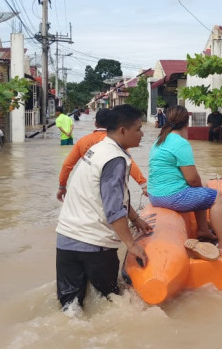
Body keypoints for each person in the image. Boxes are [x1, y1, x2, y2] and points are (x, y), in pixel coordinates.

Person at [55, 104, 153, 309]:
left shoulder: (97, 149)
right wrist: (132, 245)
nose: (142, 134)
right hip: (94, 246)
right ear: (123, 131)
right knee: (112, 301)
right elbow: (113, 209)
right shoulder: (115, 159)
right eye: (138, 129)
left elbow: (113, 197)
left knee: (70, 306)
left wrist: (135, 219)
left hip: (65, 239)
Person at [147, 105, 222, 248]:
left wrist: (201, 187)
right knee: (216, 197)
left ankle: (203, 230)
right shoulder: (180, 143)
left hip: (155, 195)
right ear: (186, 123)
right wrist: (200, 187)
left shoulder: (160, 140)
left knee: (204, 187)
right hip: (170, 196)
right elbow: (192, 179)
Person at [56, 108, 148, 202]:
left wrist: (62, 186)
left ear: (95, 124)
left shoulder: (82, 141)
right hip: (111, 189)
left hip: (87, 191)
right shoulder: (118, 141)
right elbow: (130, 163)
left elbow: (67, 165)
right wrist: (143, 185)